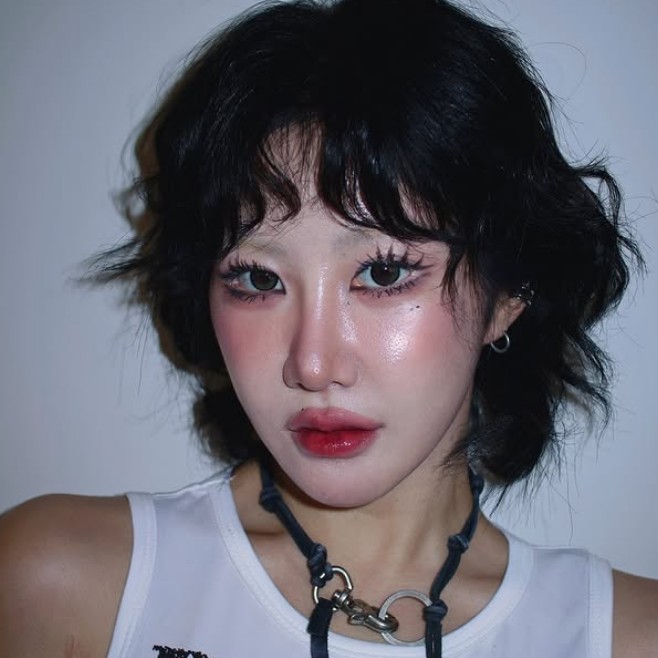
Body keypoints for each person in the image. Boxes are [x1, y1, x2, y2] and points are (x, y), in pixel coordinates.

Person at [0, 0, 656, 656]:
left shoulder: (625, 636)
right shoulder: (63, 587)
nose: (313, 365)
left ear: (508, 295)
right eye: (259, 280)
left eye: (383, 273)